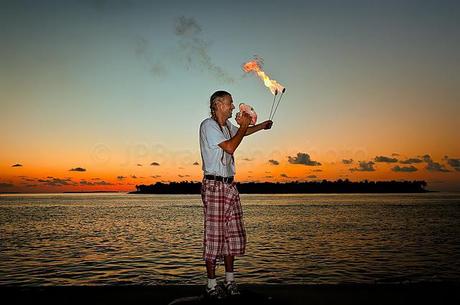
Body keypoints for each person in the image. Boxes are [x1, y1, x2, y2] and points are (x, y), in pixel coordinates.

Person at [199, 90, 273, 299]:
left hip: (230, 186)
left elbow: (244, 132)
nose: (233, 107)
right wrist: (242, 127)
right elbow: (231, 147)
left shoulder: (227, 126)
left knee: (232, 235)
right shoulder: (209, 126)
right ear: (219, 104)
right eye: (230, 103)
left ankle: (229, 281)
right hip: (214, 186)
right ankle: (212, 286)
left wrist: (261, 126)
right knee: (214, 237)